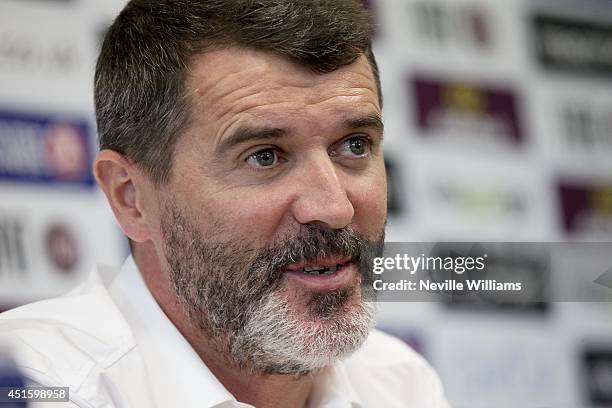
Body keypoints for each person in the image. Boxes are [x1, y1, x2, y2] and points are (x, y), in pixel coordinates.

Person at [0, 1, 450, 407]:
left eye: (354, 146)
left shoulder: (402, 385)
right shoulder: (40, 386)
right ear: (130, 197)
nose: (334, 208)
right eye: (265, 156)